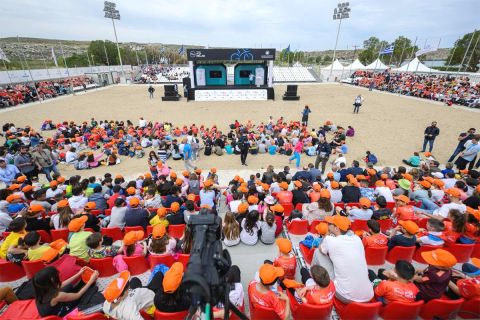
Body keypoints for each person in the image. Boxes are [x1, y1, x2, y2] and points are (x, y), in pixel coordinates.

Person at [313, 215, 374, 303]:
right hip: (368, 295)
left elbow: (321, 250)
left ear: (336, 228)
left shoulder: (329, 240)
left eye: (329, 224)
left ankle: (313, 278)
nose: (327, 225)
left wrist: (326, 238)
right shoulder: (357, 239)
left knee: (317, 252)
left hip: (345, 296)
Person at [33, 266, 100, 317]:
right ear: (52, 280)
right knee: (92, 290)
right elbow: (78, 295)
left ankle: (84, 284)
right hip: (61, 314)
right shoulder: (57, 296)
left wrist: (79, 273)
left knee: (69, 286)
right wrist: (91, 281)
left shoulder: (41, 289)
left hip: (53, 309)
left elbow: (61, 285)